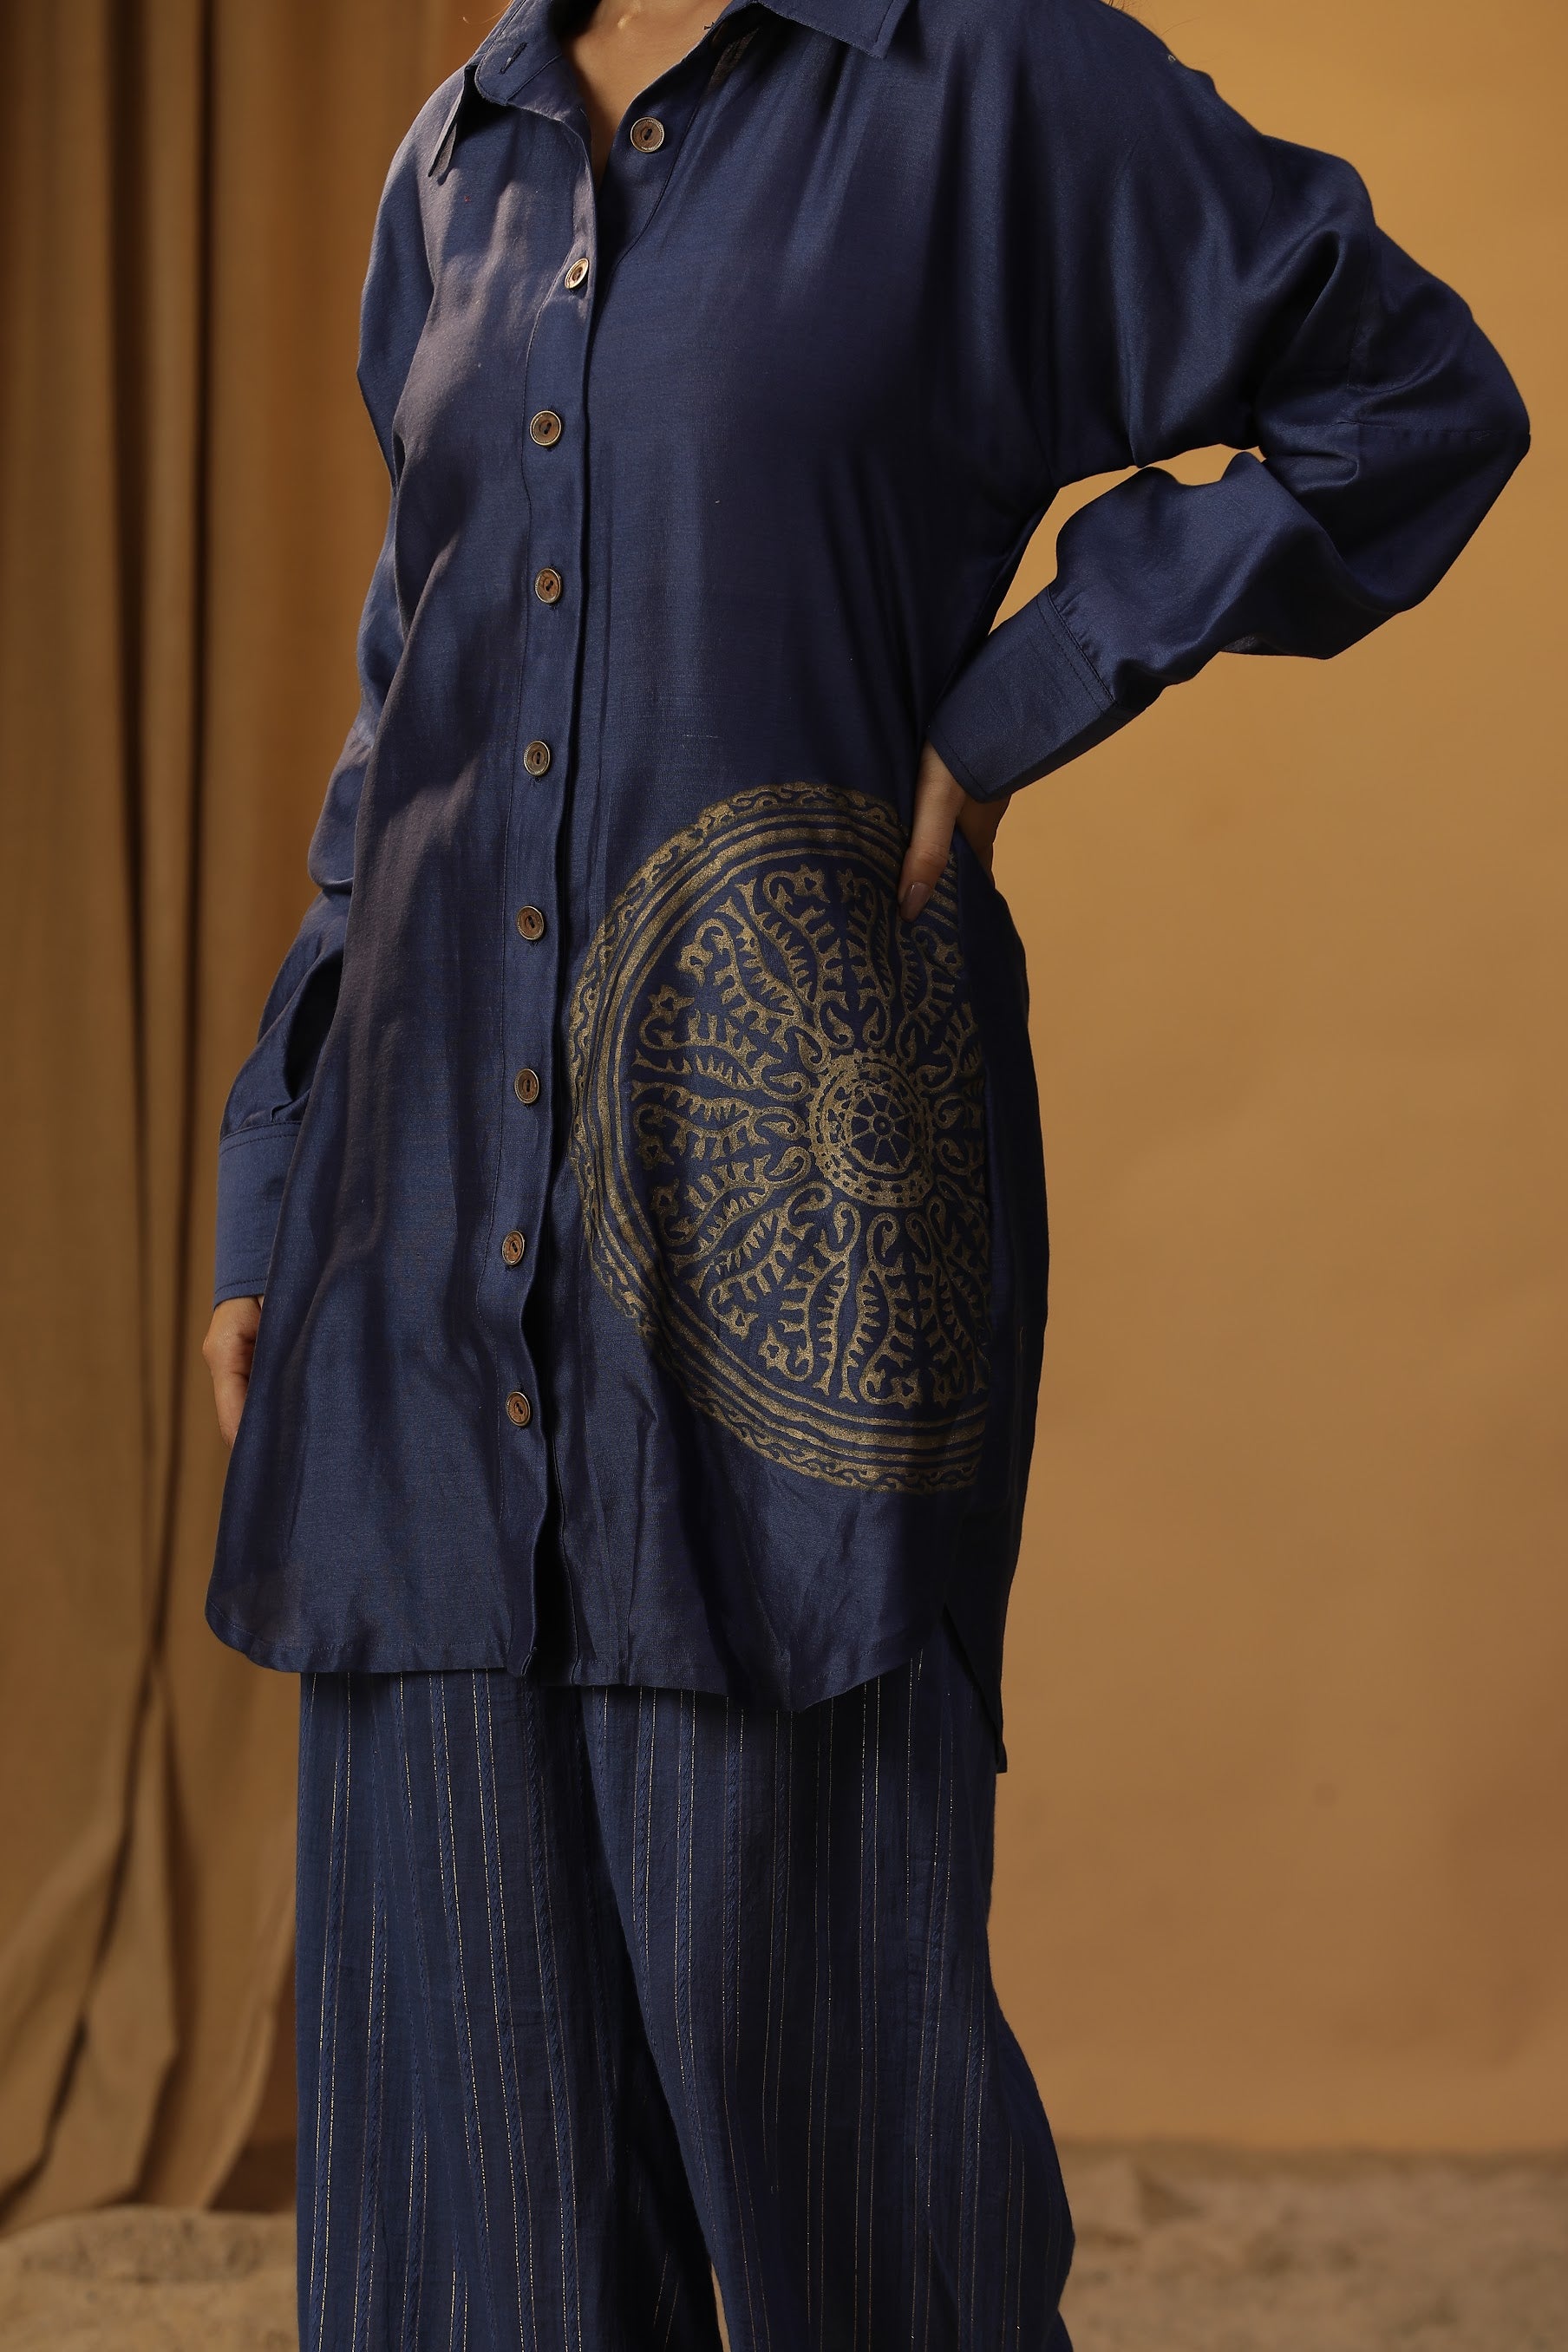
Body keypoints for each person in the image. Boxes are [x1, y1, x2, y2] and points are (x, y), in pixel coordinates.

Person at [201, 0, 1528, 2341]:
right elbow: (411, 705)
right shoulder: (456, 160)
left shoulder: (986, 85)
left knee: (850, 2154)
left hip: (779, 1267)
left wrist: (1015, 705)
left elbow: (1411, 399)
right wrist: (277, 1174)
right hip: (412, 1252)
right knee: (462, 2207)